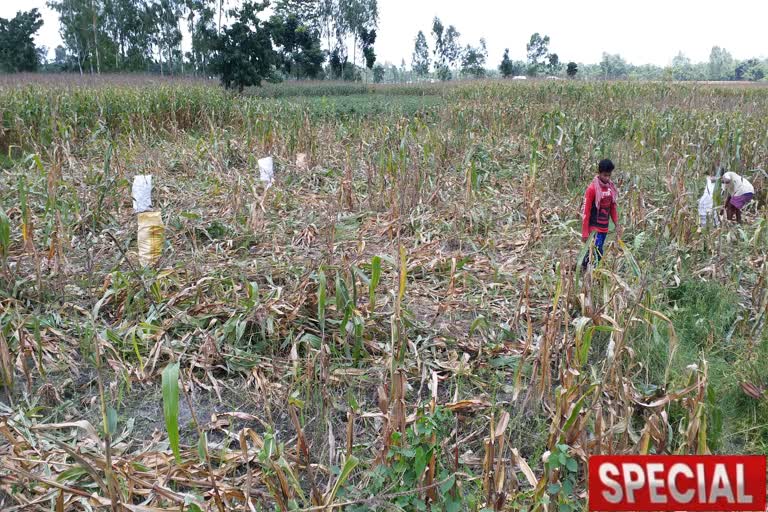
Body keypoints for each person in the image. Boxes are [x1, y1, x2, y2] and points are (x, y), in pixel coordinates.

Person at [582, 159, 623, 269]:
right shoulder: (592, 189)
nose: (607, 178)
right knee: (597, 250)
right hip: (594, 228)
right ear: (599, 173)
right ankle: (592, 272)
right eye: (605, 175)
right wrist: (585, 232)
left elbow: (613, 207)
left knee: (596, 250)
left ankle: (584, 268)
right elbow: (586, 212)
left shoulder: (610, 189)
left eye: (609, 175)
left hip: (604, 228)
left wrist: (616, 224)